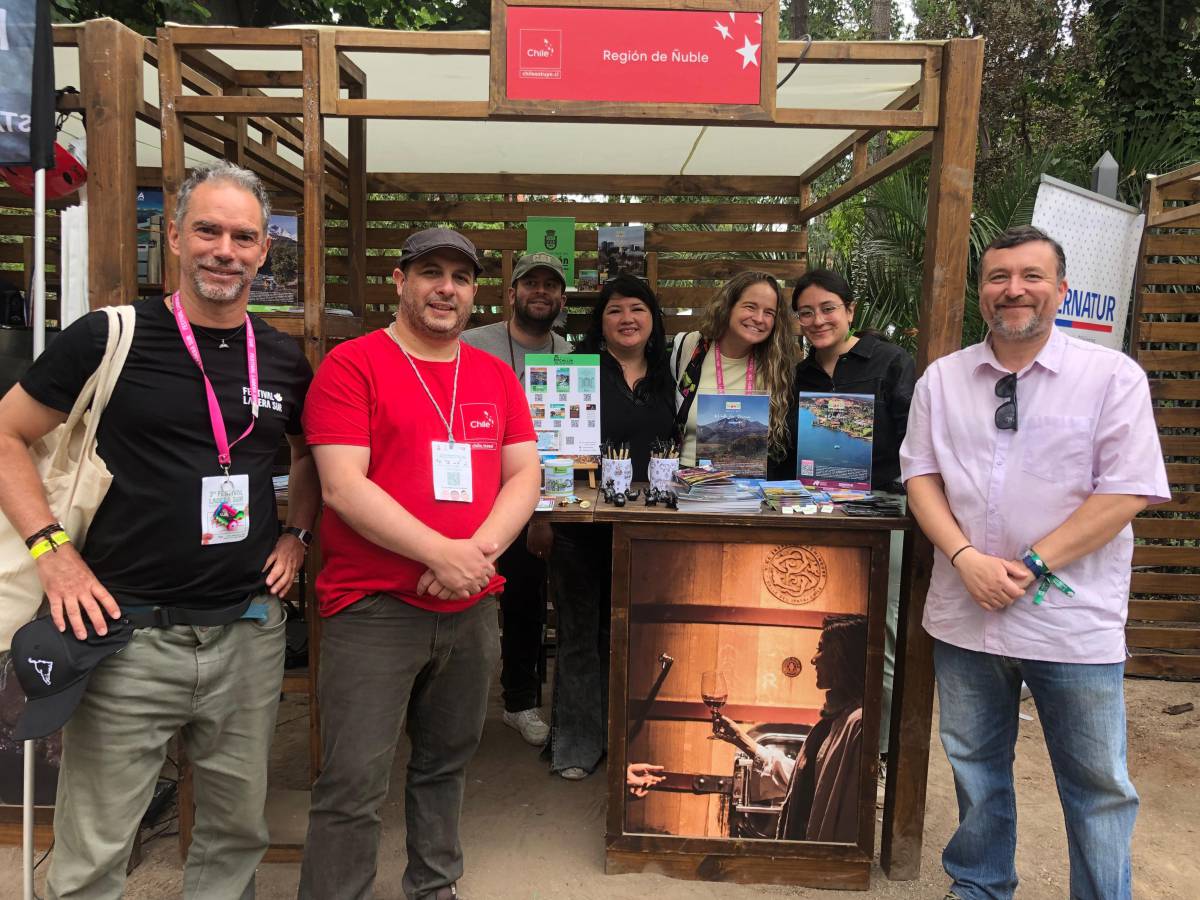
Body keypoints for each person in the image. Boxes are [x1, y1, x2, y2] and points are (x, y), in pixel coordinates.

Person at [0, 160, 319, 899]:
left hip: (246, 631)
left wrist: (295, 535)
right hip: (125, 638)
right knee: (94, 854)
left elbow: (307, 457)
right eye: (207, 230)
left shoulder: (279, 356)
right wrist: (53, 553)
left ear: (264, 251)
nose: (224, 251)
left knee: (235, 835)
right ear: (173, 237)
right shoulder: (108, 337)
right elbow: (8, 434)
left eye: (243, 237)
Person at [899, 225, 1170, 900]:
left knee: (1097, 787)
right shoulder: (944, 379)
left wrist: (1030, 566)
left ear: (1060, 290)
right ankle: (981, 889)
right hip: (966, 615)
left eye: (1030, 276)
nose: (1013, 290)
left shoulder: (1111, 376)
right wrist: (965, 558)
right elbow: (921, 478)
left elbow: (1129, 488)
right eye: (998, 277)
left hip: (1072, 622)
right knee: (975, 771)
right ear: (981, 292)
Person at [299, 227, 541, 900]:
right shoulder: (354, 365)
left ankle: (434, 888)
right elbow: (344, 486)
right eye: (431, 272)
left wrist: (475, 556)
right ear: (400, 281)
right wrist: (442, 553)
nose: (446, 288)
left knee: (446, 765)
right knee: (353, 781)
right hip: (373, 607)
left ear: (473, 294)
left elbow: (524, 474)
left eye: (461, 278)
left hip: (469, 606)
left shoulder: (493, 373)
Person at [540, 275, 675, 780]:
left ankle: (629, 742)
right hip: (581, 521)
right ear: (600, 321)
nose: (627, 319)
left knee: (632, 633)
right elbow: (548, 445)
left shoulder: (667, 375)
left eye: (637, 309)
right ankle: (576, 746)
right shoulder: (578, 371)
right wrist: (544, 516)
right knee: (578, 633)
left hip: (647, 525)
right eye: (615, 310)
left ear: (652, 319)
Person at [784, 268, 916, 758]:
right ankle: (831, 746)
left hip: (885, 513)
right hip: (819, 511)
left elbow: (916, 442)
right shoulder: (801, 375)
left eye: (828, 309)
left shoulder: (891, 363)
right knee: (832, 629)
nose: (818, 320)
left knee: (882, 627)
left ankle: (878, 752)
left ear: (850, 310)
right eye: (806, 312)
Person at [461, 252, 571, 746]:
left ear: (562, 298)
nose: (541, 292)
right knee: (462, 603)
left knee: (527, 599)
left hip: (533, 499)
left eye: (551, 285)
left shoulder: (567, 353)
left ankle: (520, 703)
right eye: (532, 284)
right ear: (512, 294)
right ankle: (444, 708)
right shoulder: (471, 343)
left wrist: (543, 509)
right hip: (470, 498)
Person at [713, 614, 867, 843]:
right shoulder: (836, 719)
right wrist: (741, 740)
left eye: (821, 649)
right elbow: (804, 781)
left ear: (842, 657)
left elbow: (848, 815)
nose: (813, 659)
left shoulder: (857, 723)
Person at [669, 271, 796, 469]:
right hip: (687, 479)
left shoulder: (775, 365)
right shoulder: (690, 347)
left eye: (769, 312)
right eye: (750, 307)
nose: (759, 318)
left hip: (747, 484)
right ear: (728, 307)